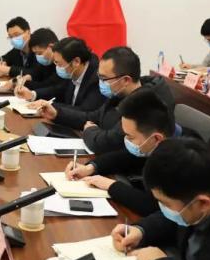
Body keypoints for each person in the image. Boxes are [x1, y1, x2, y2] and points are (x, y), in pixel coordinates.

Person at [65, 89, 201, 216]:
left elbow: (155, 206)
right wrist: (91, 167)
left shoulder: (185, 159)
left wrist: (111, 186)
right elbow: (127, 156)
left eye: (130, 137)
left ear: (156, 139)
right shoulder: (160, 138)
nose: (126, 140)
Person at [37, 46, 175, 154]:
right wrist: (57, 114)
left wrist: (90, 131)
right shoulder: (120, 93)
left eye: (104, 78)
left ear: (125, 80)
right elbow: (93, 116)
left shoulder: (144, 104)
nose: (100, 82)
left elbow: (107, 142)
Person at [19, 37, 106, 111]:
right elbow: (58, 90)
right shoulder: (73, 71)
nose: (57, 67)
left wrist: (49, 106)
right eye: (55, 63)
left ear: (76, 61)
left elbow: (84, 111)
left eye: (59, 64)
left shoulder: (96, 79)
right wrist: (32, 95)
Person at [0, 28, 59, 93]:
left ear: (51, 47)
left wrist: (19, 83)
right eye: (35, 53)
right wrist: (26, 77)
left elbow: (47, 86)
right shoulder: (47, 62)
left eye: (40, 53)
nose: (38, 56)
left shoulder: (61, 64)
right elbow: (37, 73)